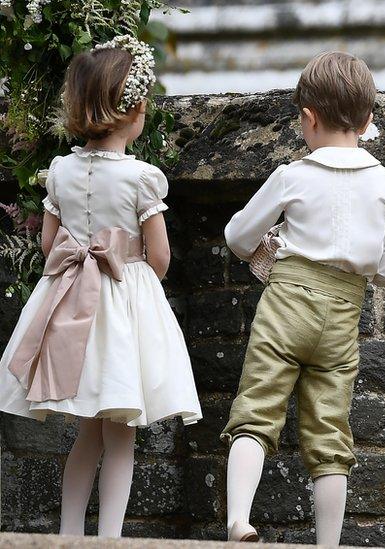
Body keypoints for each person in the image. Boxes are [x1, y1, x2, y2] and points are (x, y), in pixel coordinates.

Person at [0, 35, 202, 537]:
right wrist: (136, 288)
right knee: (120, 435)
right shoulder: (141, 178)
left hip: (70, 302)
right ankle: (109, 539)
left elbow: (50, 244)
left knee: (87, 432)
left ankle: (68, 533)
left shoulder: (60, 172)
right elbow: (160, 257)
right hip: (121, 308)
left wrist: (79, 262)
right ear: (134, 109)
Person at [219, 51, 385, 546]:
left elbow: (239, 238)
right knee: (329, 434)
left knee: (257, 410)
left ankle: (239, 519)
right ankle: (327, 543)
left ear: (309, 117)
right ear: (368, 120)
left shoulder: (292, 175)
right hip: (343, 317)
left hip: (286, 305)